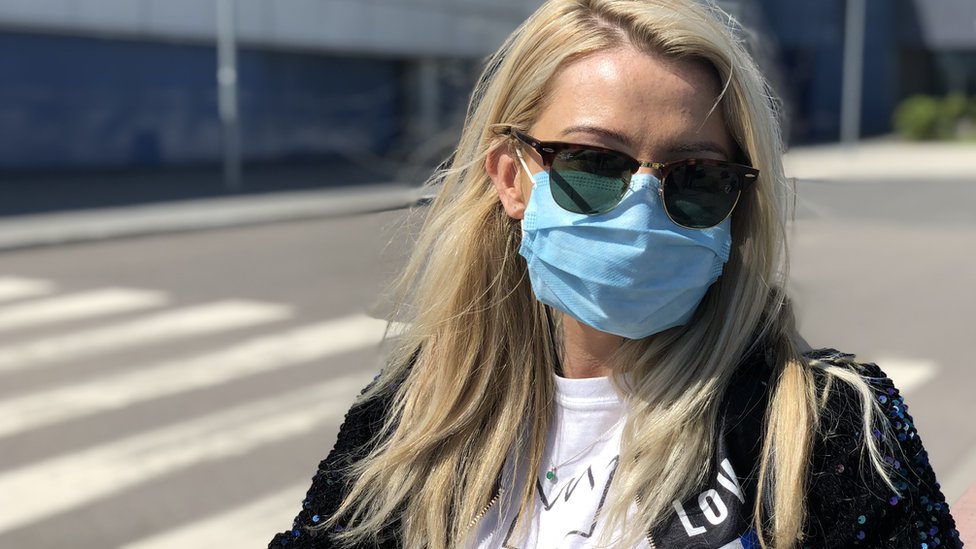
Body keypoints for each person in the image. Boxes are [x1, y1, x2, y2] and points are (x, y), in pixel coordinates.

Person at [270, 0, 961, 547]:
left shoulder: (830, 430)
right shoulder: (411, 414)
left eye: (696, 176)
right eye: (595, 163)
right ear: (511, 177)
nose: (642, 210)